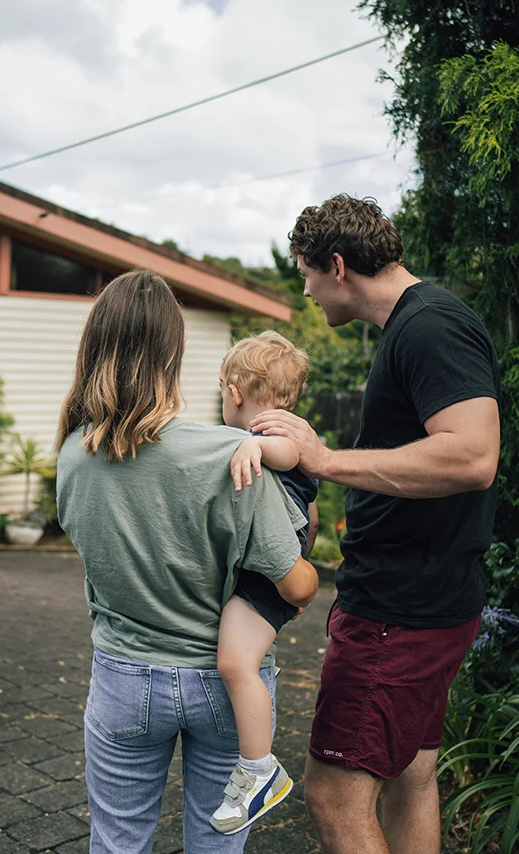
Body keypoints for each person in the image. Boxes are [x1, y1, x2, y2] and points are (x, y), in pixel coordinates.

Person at [250, 195, 501, 854]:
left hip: (398, 612)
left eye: (305, 273)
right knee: (411, 777)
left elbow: (473, 455)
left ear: (337, 266)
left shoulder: (429, 327)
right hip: (427, 600)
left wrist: (325, 461)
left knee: (334, 794)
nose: (304, 290)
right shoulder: (419, 325)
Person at [57, 270, 319, 854]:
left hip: (124, 678)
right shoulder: (234, 456)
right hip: (224, 688)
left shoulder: (73, 455)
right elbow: (297, 585)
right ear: (172, 354)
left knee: (118, 844)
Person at [210, 331, 321, 833]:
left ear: (234, 392)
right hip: (266, 575)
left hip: (265, 581)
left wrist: (254, 443)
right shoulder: (264, 435)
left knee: (236, 662)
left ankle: (260, 770)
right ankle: (255, 767)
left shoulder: (276, 437)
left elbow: (291, 456)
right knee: (238, 661)